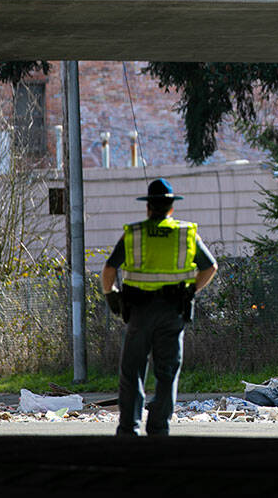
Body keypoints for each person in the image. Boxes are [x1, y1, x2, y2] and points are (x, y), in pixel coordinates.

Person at [101, 177, 217, 437]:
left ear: (148, 207)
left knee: (132, 371)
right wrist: (190, 291)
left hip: (139, 312)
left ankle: (129, 428)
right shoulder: (185, 234)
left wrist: (112, 296)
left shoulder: (135, 234)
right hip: (172, 311)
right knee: (167, 372)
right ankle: (158, 427)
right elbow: (210, 267)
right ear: (171, 208)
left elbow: (109, 270)